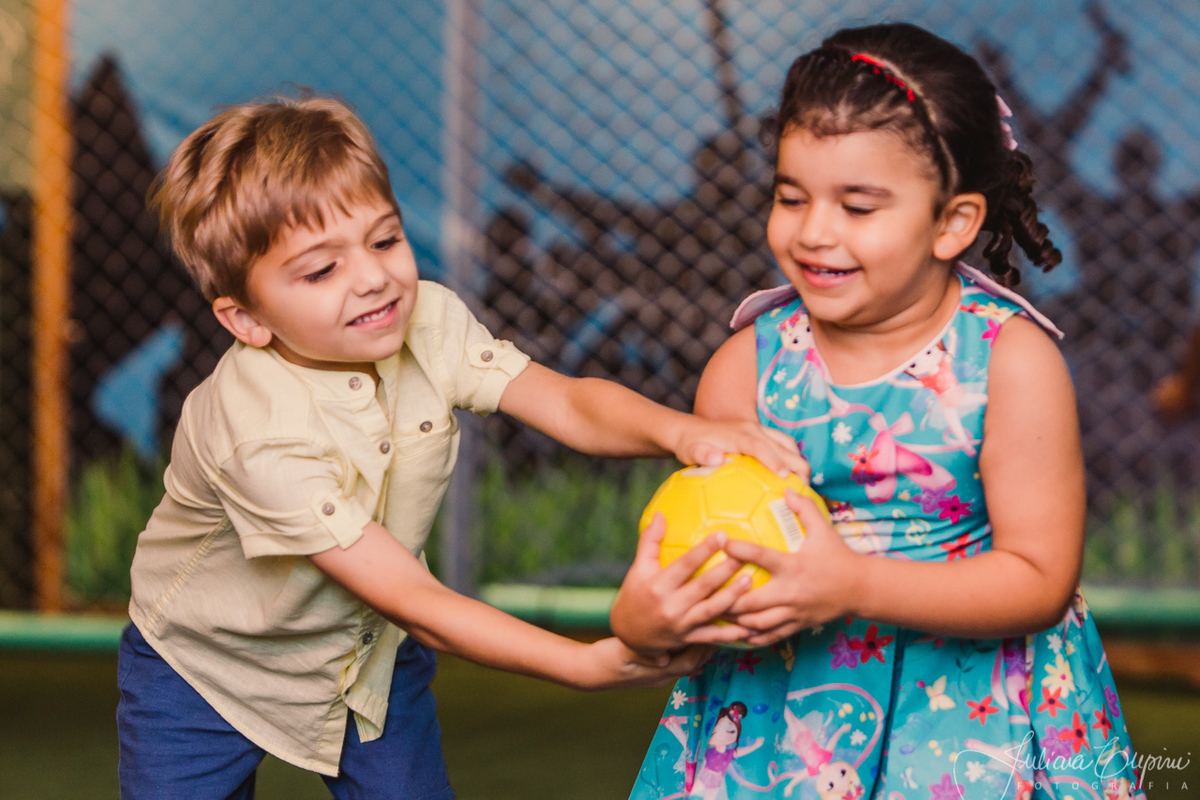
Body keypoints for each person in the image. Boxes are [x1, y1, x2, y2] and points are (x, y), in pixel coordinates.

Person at [117, 93, 806, 799]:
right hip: (208, 669)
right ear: (246, 319)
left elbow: (566, 401)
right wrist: (585, 663)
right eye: (322, 270)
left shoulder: (428, 319)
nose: (373, 277)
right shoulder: (255, 434)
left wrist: (682, 431)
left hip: (366, 657)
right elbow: (416, 600)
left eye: (385, 240)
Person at [613, 24, 1144, 800]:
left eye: (857, 206)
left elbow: (1040, 579)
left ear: (952, 223)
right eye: (791, 197)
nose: (813, 231)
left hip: (972, 728)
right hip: (781, 731)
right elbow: (707, 568)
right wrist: (646, 619)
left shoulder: (1009, 363)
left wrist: (852, 584)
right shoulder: (746, 371)